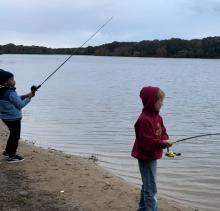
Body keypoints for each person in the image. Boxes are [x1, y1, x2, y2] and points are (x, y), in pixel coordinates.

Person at [131, 86, 173, 211]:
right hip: (146, 157)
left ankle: (142, 208)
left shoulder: (158, 117)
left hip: (152, 156)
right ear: (151, 101)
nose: (162, 103)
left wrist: (165, 140)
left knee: (147, 185)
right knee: (151, 189)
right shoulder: (144, 120)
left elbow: (163, 132)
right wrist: (162, 143)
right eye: (160, 101)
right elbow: (146, 143)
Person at [0, 69, 35, 163]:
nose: (14, 80)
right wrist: (29, 98)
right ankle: (12, 156)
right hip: (14, 118)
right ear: (6, 81)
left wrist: (25, 95)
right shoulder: (11, 92)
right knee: (15, 136)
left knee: (12, 135)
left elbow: (13, 100)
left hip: (5, 117)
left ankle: (8, 151)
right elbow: (20, 105)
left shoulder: (2, 90)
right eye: (12, 79)